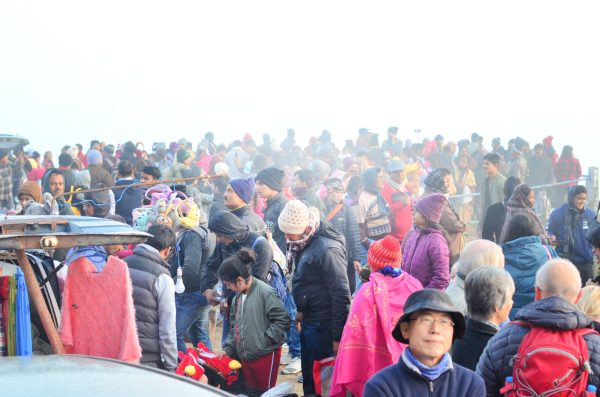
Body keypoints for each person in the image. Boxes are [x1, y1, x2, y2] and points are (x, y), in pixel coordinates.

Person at [476, 259, 600, 396]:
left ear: (537, 292)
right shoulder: (595, 344)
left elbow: (481, 390)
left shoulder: (502, 339)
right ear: (579, 297)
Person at [330, 236, 423, 397]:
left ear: (373, 263)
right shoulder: (415, 285)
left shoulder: (366, 293)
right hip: (410, 371)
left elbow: (353, 338)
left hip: (373, 376)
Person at [278, 200, 351, 395]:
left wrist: (337, 337)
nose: (286, 237)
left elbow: (341, 294)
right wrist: (301, 309)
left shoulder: (328, 249)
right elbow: (308, 281)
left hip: (324, 325)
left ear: (302, 228)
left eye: (289, 232)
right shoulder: (304, 240)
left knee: (322, 380)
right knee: (310, 373)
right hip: (311, 319)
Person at [364, 289, 485, 396]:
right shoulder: (382, 387)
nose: (435, 330)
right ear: (406, 329)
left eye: (444, 322)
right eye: (426, 320)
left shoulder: (470, 384)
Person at [219, 248, 289, 392]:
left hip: (265, 356)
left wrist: (264, 342)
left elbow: (282, 321)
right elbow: (234, 327)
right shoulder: (237, 297)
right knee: (251, 392)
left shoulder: (266, 292)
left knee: (265, 393)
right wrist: (229, 349)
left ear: (239, 281)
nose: (228, 288)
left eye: (228, 284)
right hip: (246, 357)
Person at [124, 224, 178, 371]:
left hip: (120, 351)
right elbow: (167, 328)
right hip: (147, 357)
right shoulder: (162, 277)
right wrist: (171, 365)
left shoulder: (122, 265)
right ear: (167, 251)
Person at [169, 206, 216, 353]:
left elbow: (190, 269)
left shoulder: (192, 235)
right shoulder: (206, 231)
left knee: (174, 335)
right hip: (201, 290)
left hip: (191, 292)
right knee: (199, 334)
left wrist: (171, 282)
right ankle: (211, 369)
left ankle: (182, 370)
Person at [452, 267, 515, 371]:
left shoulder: (458, 330)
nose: (512, 303)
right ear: (496, 306)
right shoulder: (499, 346)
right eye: (510, 298)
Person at [502, 214, 557, 318]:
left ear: (509, 231)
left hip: (512, 318)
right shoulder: (548, 251)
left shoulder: (501, 257)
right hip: (544, 314)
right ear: (534, 230)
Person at [548, 185, 596, 285]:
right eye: (579, 198)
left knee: (586, 294)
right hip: (565, 262)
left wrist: (591, 253)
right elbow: (550, 231)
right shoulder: (558, 214)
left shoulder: (590, 215)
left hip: (585, 262)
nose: (582, 201)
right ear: (571, 197)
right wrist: (551, 236)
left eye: (584, 199)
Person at [402, 193, 451, 290]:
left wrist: (422, 295)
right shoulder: (412, 234)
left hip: (426, 300)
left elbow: (442, 278)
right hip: (409, 295)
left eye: (417, 211)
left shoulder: (437, 241)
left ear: (426, 215)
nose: (412, 213)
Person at [323, 178, 362, 294]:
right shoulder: (322, 207)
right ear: (329, 192)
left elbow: (354, 233)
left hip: (345, 254)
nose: (339, 195)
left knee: (348, 286)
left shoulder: (347, 208)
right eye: (336, 192)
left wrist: (356, 258)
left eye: (341, 192)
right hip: (327, 253)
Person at [445, 239, 505, 315]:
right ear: (484, 270)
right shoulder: (473, 307)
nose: (502, 275)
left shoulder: (454, 289)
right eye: (500, 268)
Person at [423, 168, 466, 265]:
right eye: (446, 181)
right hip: (447, 247)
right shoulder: (436, 199)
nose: (449, 184)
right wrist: (464, 226)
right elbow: (453, 224)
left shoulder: (426, 196)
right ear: (438, 182)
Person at [255, 167, 288, 253]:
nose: (256, 187)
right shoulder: (270, 203)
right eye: (256, 183)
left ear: (272, 184)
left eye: (261, 183)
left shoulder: (283, 205)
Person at [381, 159, 413, 244]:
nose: (399, 175)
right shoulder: (385, 189)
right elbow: (384, 210)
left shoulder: (407, 187)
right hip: (394, 238)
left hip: (410, 235)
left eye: (401, 171)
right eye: (395, 172)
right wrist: (401, 203)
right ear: (389, 174)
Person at [357, 167, 391, 246]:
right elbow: (360, 227)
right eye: (380, 177)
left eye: (383, 177)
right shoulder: (362, 199)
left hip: (384, 242)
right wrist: (370, 246)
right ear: (371, 179)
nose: (383, 180)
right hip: (372, 244)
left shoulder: (378, 194)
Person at [481, 176, 520, 243]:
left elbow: (487, 237)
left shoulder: (493, 210)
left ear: (504, 190)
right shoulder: (525, 210)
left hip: (502, 250)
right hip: (521, 251)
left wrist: (496, 250)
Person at [112, 160, 144, 225]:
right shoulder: (141, 188)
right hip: (138, 225)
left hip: (120, 226)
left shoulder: (113, 190)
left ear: (118, 173)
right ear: (132, 171)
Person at [480, 153, 507, 220]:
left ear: (495, 165)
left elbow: (505, 203)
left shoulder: (502, 181)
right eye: (483, 164)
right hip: (486, 219)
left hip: (499, 219)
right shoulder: (484, 183)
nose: (484, 166)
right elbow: (482, 205)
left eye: (487, 164)